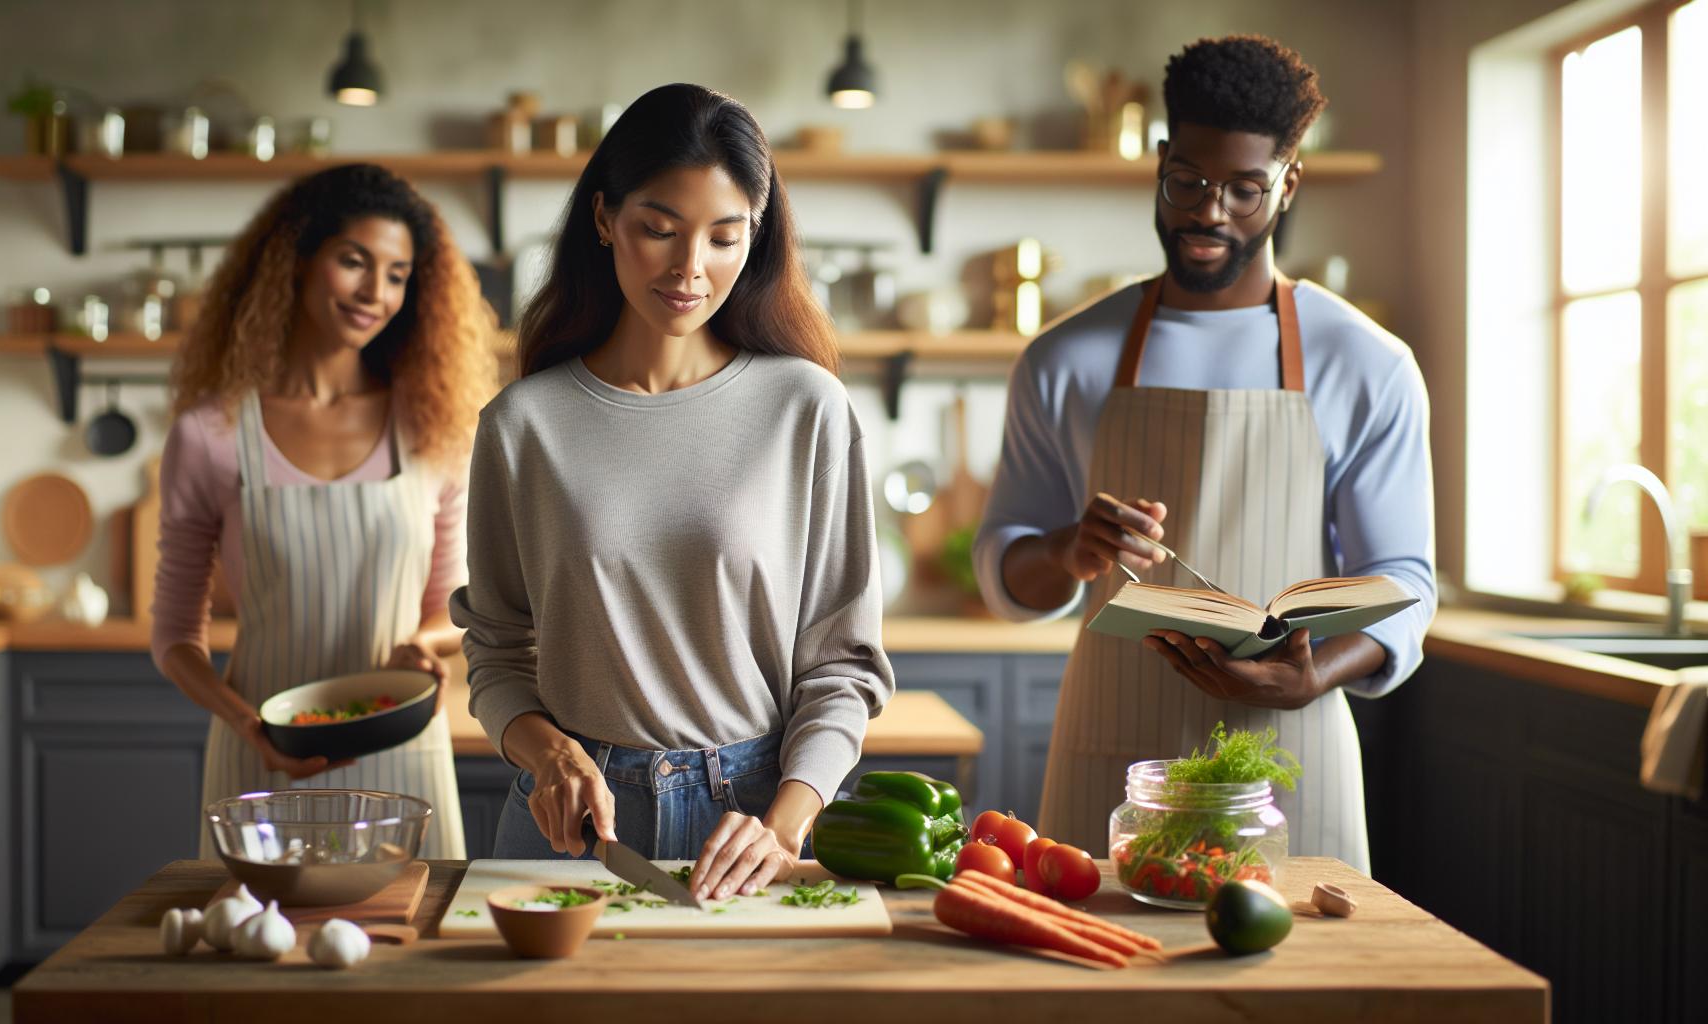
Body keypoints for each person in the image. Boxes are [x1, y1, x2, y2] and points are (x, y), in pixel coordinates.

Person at [973, 36, 1435, 873]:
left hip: (1286, 753)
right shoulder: (1066, 358)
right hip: (1115, 755)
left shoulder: (1364, 362)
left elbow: (1404, 582)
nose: (1208, 213)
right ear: (1160, 162)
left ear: (1289, 183)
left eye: (1245, 189)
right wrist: (1070, 551)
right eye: (1186, 181)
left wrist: (1311, 676)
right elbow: (1005, 572)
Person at [450, 83, 893, 902]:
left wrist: (786, 823)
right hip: (576, 825)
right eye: (659, 230)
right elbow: (498, 650)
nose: (692, 269)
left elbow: (843, 666)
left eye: (726, 237)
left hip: (756, 822)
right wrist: (547, 753)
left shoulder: (807, 408)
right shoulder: (524, 425)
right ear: (603, 219)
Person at [152, 163, 496, 860]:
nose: (377, 292)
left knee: (409, 961)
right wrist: (248, 727)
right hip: (264, 760)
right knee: (261, 957)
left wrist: (424, 647)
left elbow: (455, 605)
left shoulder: (435, 431)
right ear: (297, 261)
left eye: (398, 274)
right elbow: (175, 638)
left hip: (405, 753)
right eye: (353, 262)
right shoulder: (211, 434)